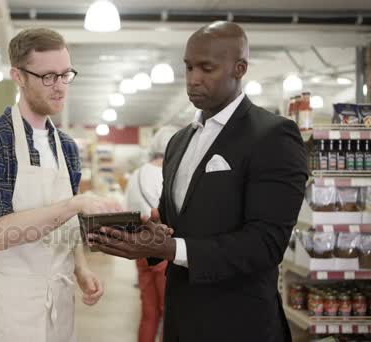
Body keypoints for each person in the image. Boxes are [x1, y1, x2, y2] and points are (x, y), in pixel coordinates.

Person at [88, 21, 308, 342]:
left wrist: (170, 247)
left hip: (239, 323)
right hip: (181, 318)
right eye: (188, 67)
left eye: (207, 68)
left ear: (239, 68)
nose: (193, 79)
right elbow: (171, 219)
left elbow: (266, 243)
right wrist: (146, 237)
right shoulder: (179, 141)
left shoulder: (272, 136)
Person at [0, 28, 121, 342]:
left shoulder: (67, 147)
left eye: (65, 75)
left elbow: (66, 223)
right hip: (9, 307)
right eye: (48, 76)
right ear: (18, 76)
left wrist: (81, 268)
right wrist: (74, 204)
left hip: (60, 301)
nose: (60, 87)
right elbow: (0, 232)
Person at [124, 127, 176, 342]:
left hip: (140, 249)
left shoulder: (136, 174)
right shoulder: (169, 174)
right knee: (170, 313)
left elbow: (126, 208)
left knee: (149, 311)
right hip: (164, 250)